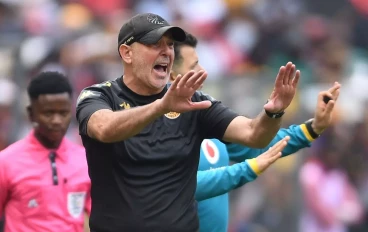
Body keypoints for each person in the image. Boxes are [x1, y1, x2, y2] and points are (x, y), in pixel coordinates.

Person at [76, 13, 299, 232]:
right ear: (127, 53)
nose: (166, 52)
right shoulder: (99, 96)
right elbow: (103, 128)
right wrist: (162, 106)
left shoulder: (193, 102)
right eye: (154, 44)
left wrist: (273, 113)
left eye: (170, 45)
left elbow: (254, 134)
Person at [172, 32, 342, 232]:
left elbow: (256, 144)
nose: (203, 71)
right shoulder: (154, 130)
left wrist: (312, 129)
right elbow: (182, 186)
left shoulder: (207, 121)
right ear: (174, 76)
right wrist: (249, 169)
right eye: (193, 67)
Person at [0, 72, 91, 232]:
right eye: (48, 113)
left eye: (63, 113)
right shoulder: (6, 162)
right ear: (31, 114)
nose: (56, 120)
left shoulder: (86, 160)